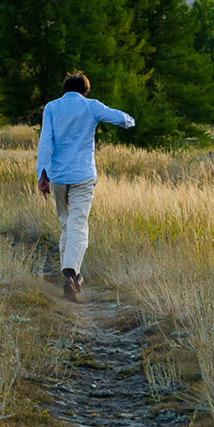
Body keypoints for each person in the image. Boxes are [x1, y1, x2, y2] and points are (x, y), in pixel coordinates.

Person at [35, 70, 135, 302]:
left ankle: (72, 277)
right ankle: (71, 273)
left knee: (67, 225)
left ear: (65, 90)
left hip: (58, 175)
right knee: (78, 224)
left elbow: (45, 141)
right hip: (82, 175)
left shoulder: (51, 108)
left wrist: (42, 174)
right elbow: (119, 117)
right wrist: (130, 121)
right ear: (84, 90)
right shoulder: (91, 106)